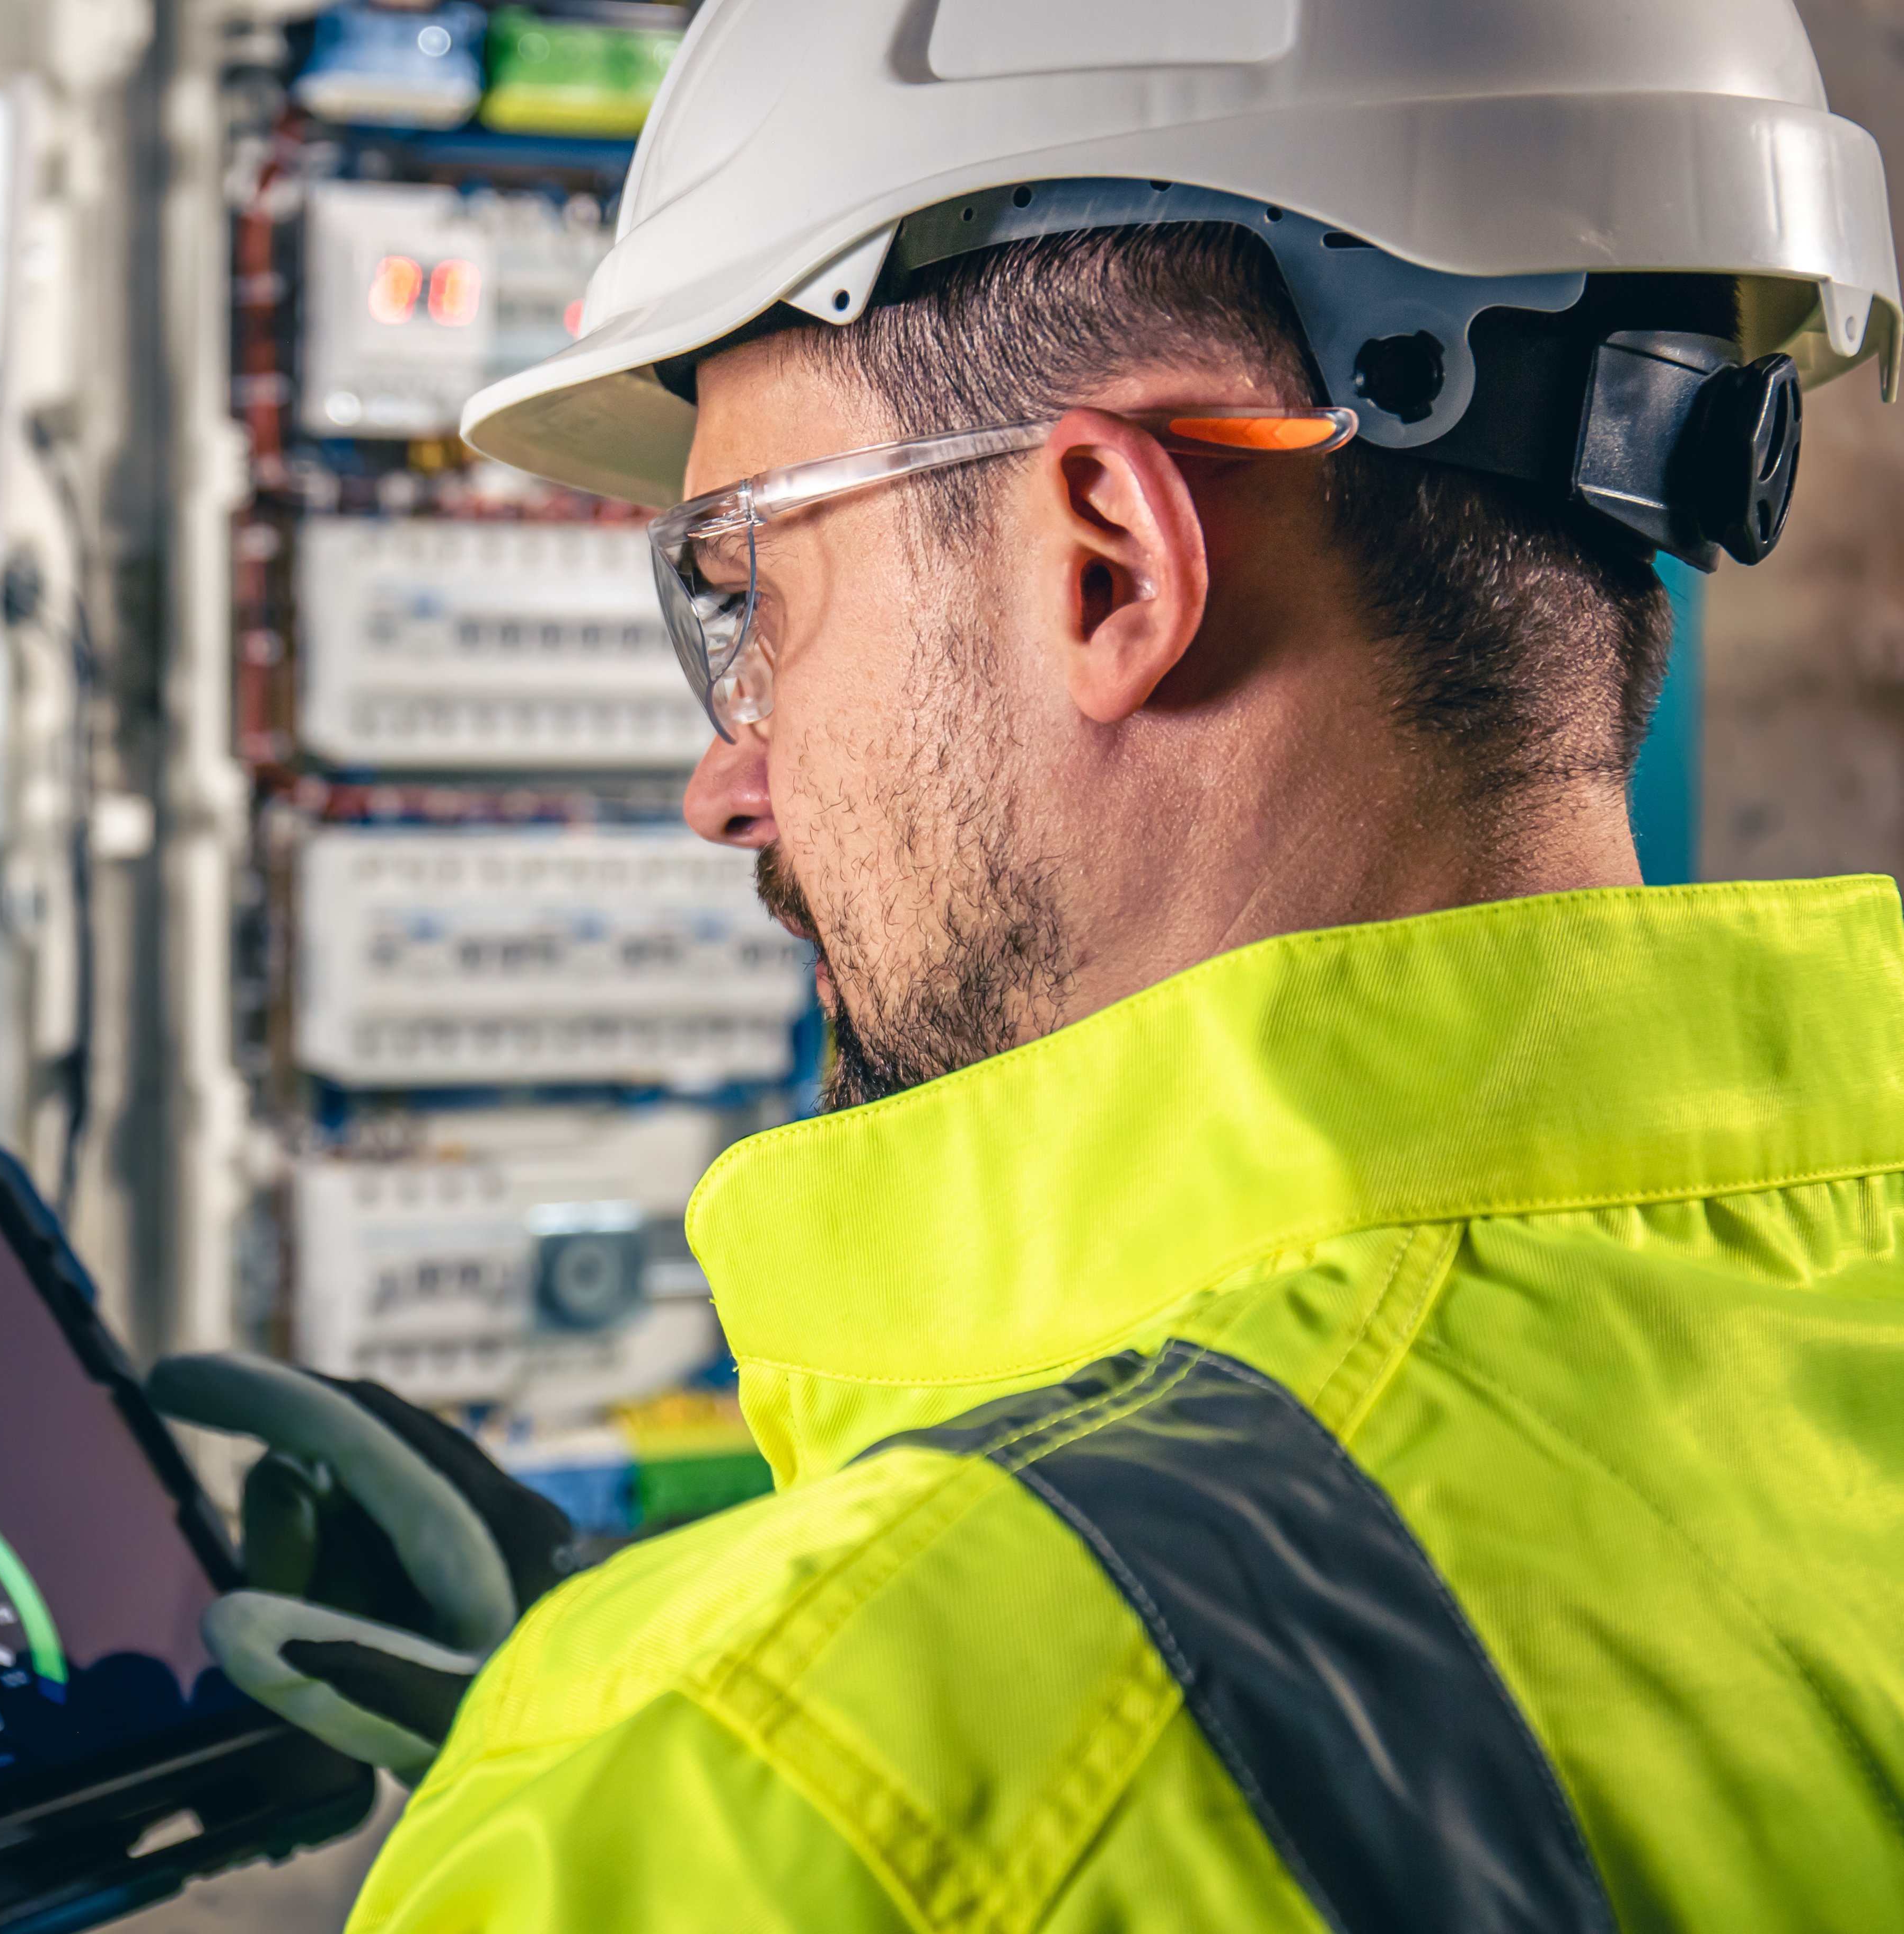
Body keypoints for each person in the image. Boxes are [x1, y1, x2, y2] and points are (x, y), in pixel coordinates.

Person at [153, 1, 1904, 1925]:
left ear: (1109, 566)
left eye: (752, 591)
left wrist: (675, 1765)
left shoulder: (762, 1797)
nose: (725, 781)